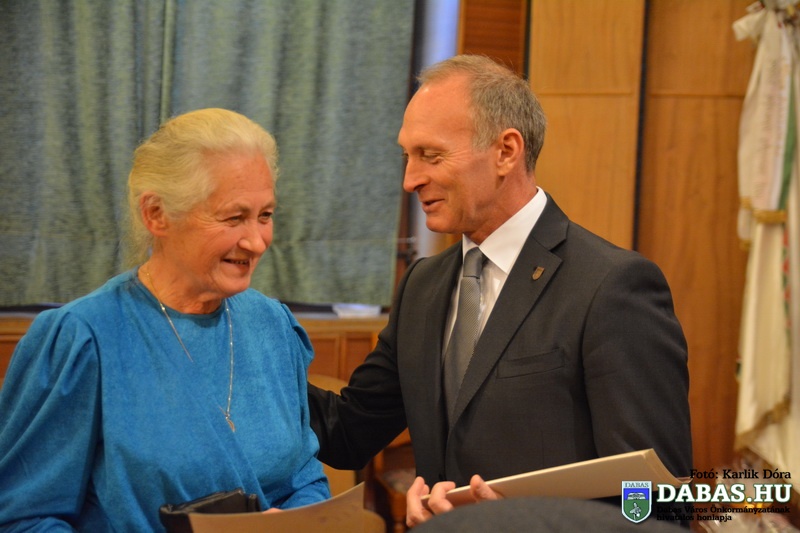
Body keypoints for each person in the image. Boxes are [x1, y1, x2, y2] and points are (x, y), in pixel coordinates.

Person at [307, 55, 692, 527]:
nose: (410, 179)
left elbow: (658, 506)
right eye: (407, 156)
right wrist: (242, 329)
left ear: (506, 152)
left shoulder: (613, 287)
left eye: (431, 155)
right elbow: (347, 432)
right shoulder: (422, 287)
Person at [0, 108, 330, 531]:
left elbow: (304, 477)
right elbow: (22, 518)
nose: (257, 241)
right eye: (234, 217)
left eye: (265, 215)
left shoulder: (272, 326)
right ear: (156, 214)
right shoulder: (83, 338)